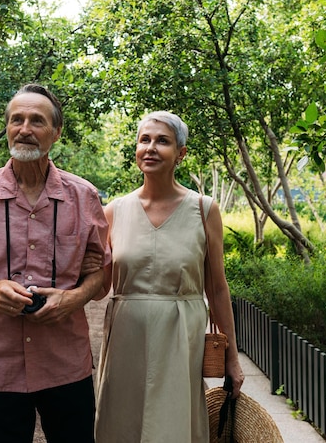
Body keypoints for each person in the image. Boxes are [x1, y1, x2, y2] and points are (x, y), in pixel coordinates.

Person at [0, 83, 110, 443]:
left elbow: (101, 275)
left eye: (37, 120)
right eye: (17, 120)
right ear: (7, 127)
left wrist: (74, 298)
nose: (25, 129)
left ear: (56, 132)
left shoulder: (83, 197)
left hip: (65, 362)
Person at [94, 111, 244, 442]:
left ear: (181, 153)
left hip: (182, 340)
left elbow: (218, 289)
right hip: (125, 338)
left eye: (162, 141)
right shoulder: (113, 211)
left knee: (174, 426)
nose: (150, 148)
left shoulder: (204, 210)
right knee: (122, 424)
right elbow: (97, 285)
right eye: (144, 140)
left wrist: (232, 358)